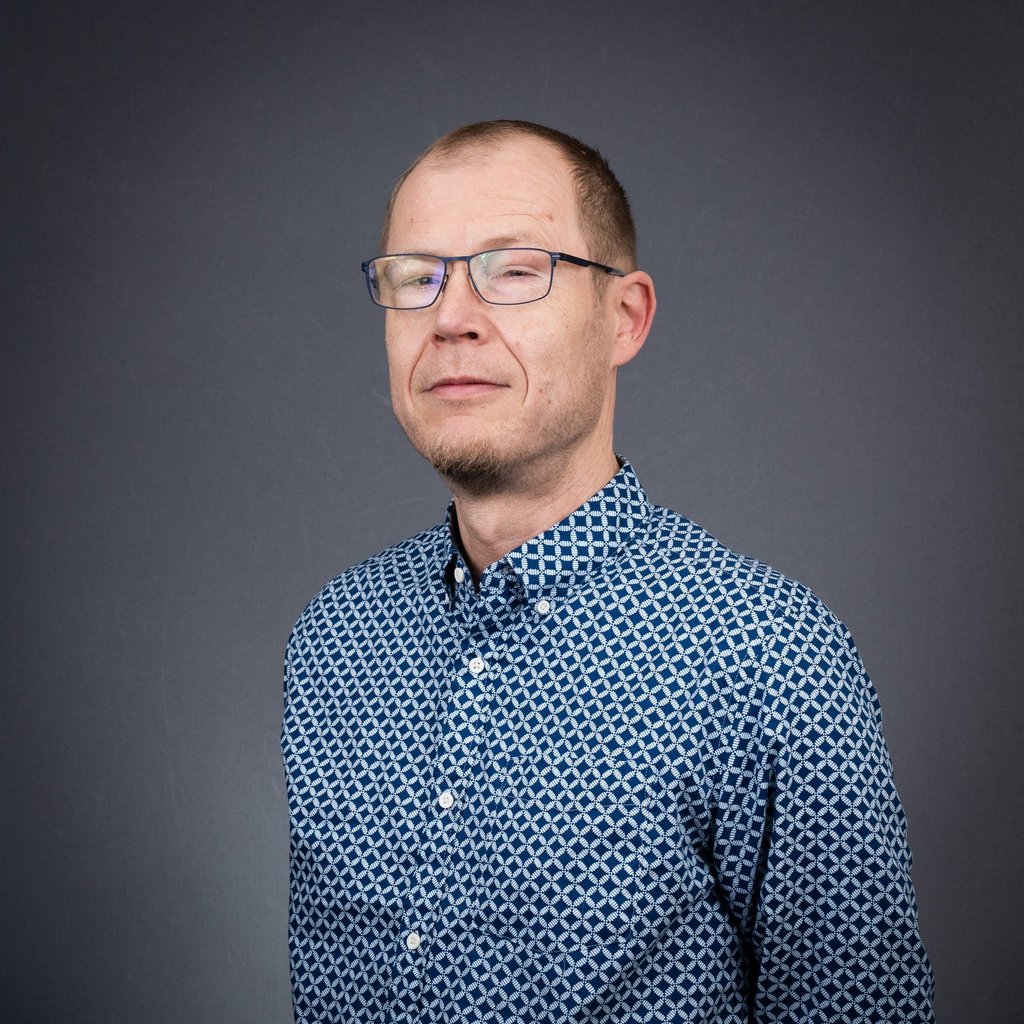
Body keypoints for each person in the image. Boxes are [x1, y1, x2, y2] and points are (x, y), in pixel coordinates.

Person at [282, 120, 934, 1023]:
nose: (450, 317)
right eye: (415, 275)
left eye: (513, 269)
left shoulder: (769, 657)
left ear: (622, 317)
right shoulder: (334, 639)